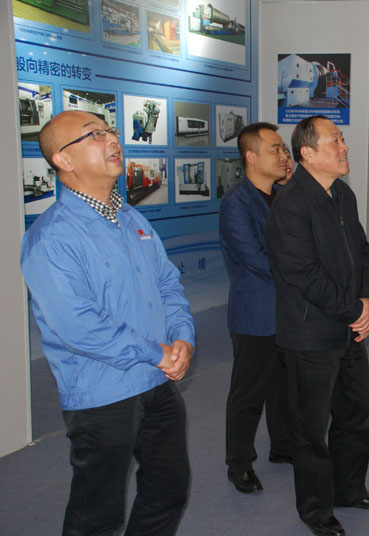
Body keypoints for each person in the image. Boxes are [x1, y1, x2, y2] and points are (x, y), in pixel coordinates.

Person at [20, 110, 195, 535]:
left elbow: (167, 284)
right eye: (94, 135)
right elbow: (79, 326)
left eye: (110, 130)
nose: (112, 139)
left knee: (168, 489)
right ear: (64, 160)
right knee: (97, 515)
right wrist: (156, 353)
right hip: (101, 395)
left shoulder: (133, 219)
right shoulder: (51, 237)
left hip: (157, 383)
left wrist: (182, 337)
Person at [266, 115, 369, 536]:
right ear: (308, 153)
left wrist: (367, 301)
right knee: (311, 429)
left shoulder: (341, 194)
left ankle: (348, 490)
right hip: (310, 334)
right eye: (335, 140)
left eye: (342, 139)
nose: (344, 146)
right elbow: (304, 274)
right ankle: (316, 510)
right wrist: (354, 309)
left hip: (348, 327)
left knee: (356, 414)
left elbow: (363, 252)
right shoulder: (291, 204)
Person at [220, 122, 294, 494]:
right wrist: (302, 276)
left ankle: (283, 446)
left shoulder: (283, 196)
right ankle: (240, 463)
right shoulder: (237, 202)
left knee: (284, 385)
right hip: (255, 312)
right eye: (275, 149)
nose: (283, 155)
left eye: (284, 149)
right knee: (248, 392)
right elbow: (253, 257)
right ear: (251, 157)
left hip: (287, 310)